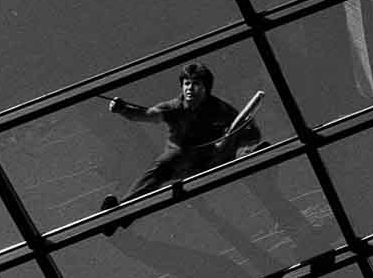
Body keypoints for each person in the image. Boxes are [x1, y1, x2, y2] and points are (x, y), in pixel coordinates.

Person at [98, 63, 262, 235]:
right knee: (157, 172)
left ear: (206, 87)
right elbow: (148, 115)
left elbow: (250, 132)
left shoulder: (220, 109)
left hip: (211, 158)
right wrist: (123, 109)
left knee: (236, 140)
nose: (190, 88)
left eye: (196, 83)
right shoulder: (174, 107)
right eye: (186, 83)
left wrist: (245, 142)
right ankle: (118, 216)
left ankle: (255, 157)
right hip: (180, 161)